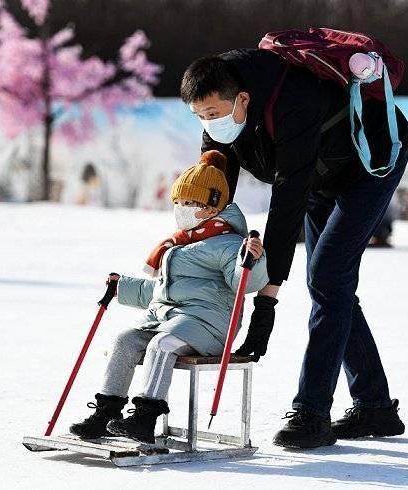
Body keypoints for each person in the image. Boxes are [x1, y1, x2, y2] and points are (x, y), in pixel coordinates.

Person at [180, 49, 408, 448]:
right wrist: (197, 241)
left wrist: (266, 300)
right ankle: (375, 406)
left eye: (214, 113)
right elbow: (216, 190)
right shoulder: (220, 116)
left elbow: (287, 199)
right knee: (328, 285)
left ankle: (312, 413)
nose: (209, 123)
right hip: (324, 169)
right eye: (200, 115)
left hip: (370, 161)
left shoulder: (294, 100)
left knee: (327, 278)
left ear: (243, 99)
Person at [69, 150, 268, 443]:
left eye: (191, 203)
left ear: (213, 206)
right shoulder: (179, 245)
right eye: (178, 202)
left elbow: (245, 284)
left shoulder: (228, 244)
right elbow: (163, 291)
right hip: (169, 319)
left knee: (162, 344)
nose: (182, 209)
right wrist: (122, 287)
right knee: (125, 341)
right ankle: (106, 413)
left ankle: (145, 417)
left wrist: (252, 261)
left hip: (209, 325)